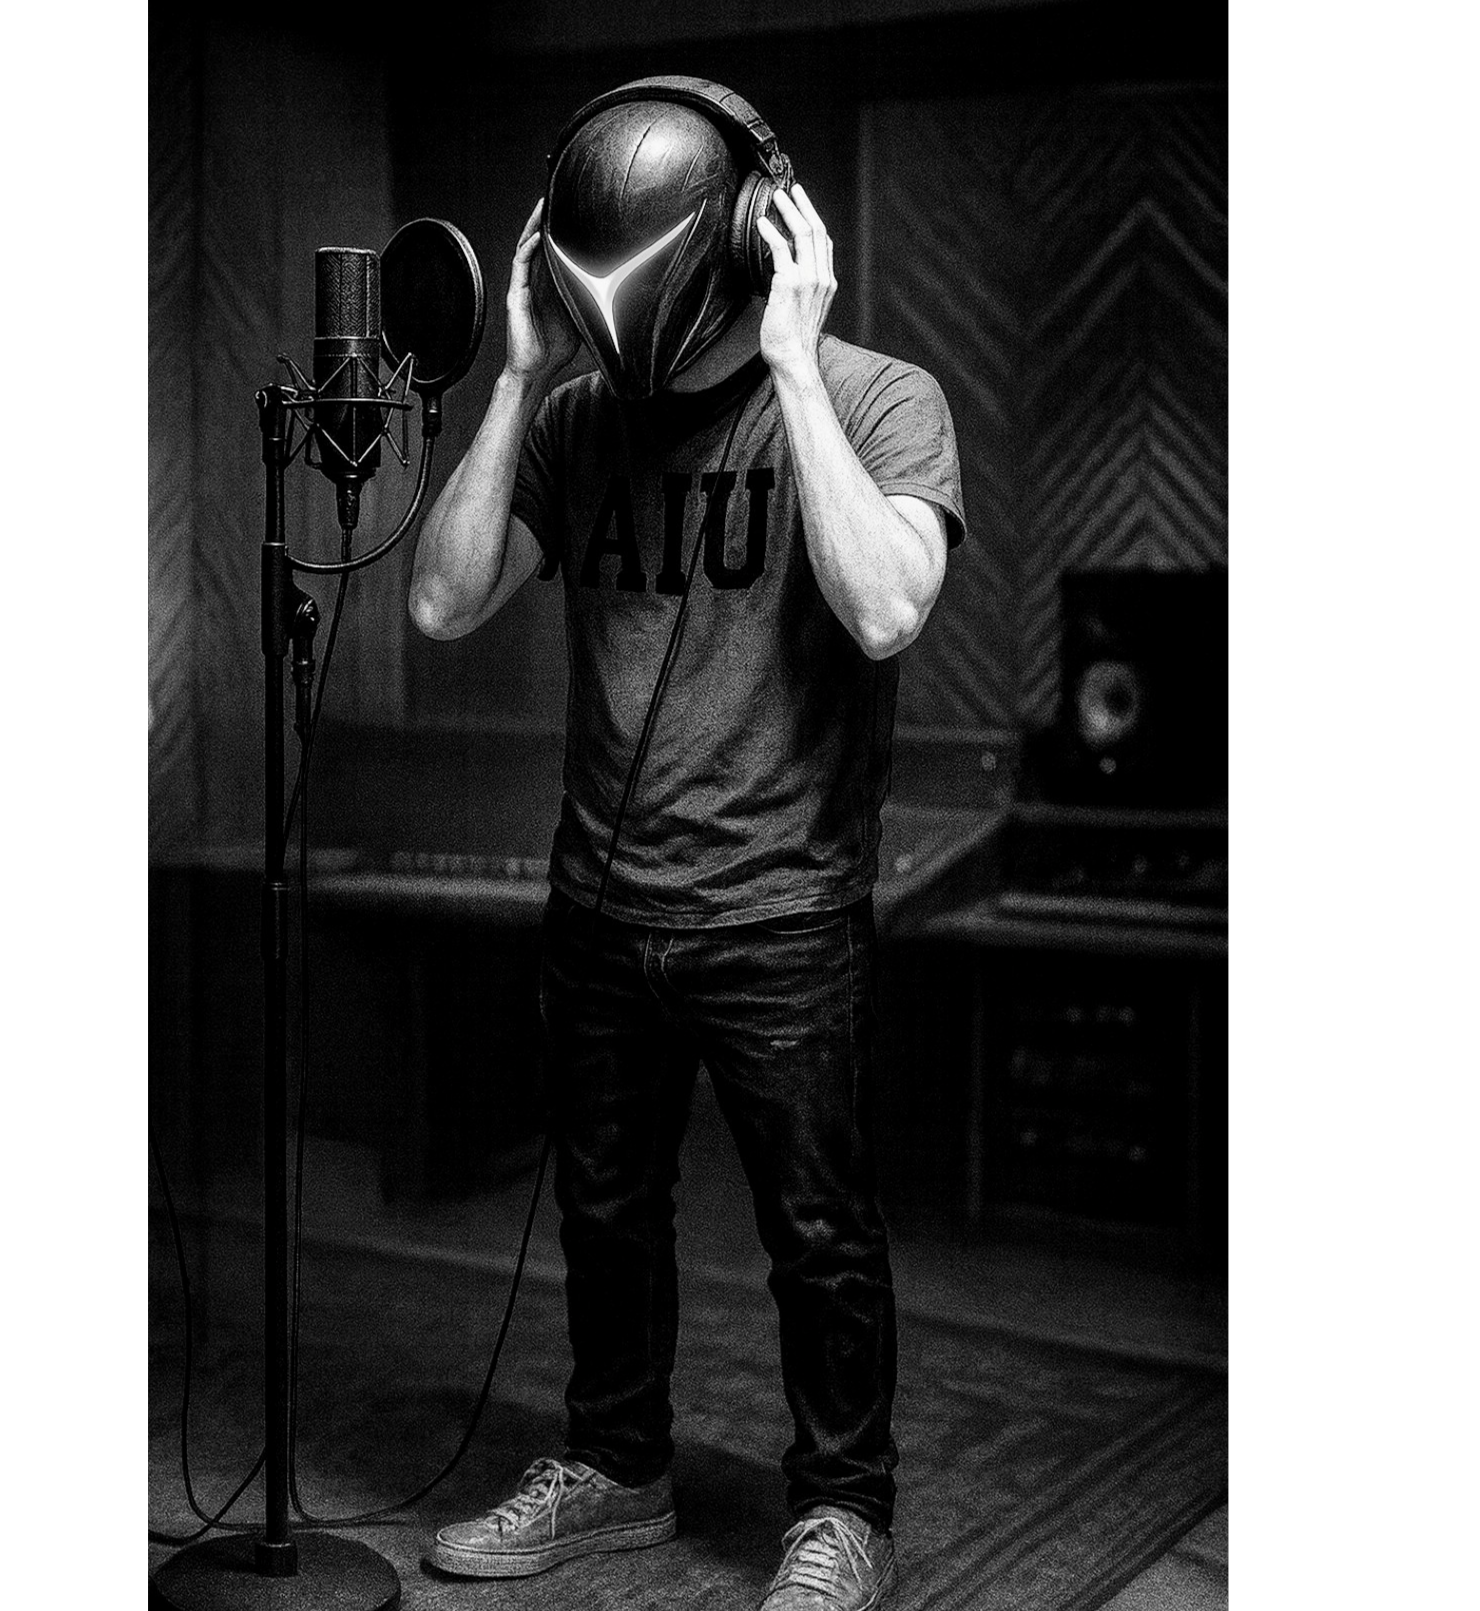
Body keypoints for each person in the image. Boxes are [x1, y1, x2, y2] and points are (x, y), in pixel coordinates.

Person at [407, 80, 966, 1611]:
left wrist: (788, 367)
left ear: (758, 236)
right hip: (600, 900)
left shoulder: (878, 399)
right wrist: (518, 378)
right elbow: (441, 602)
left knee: (818, 1234)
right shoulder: (575, 416)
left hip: (781, 909)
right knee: (605, 1212)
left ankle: (842, 1509)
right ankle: (616, 1467)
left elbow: (883, 607)